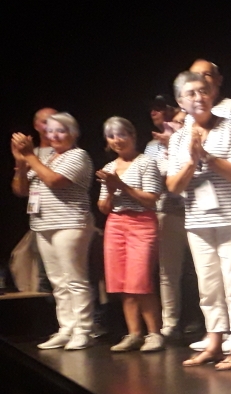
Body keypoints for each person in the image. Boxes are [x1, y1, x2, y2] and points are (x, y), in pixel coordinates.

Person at [167, 71, 231, 370]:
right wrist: (192, 162)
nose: (199, 98)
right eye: (191, 94)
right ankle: (214, 343)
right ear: (181, 101)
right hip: (197, 220)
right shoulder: (179, 138)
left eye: (204, 92)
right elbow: (173, 186)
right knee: (208, 286)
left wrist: (205, 156)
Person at [10, 112, 96, 350]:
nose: (54, 136)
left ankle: (84, 330)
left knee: (75, 279)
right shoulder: (45, 158)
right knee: (58, 281)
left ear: (73, 134)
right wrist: (20, 163)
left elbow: (55, 181)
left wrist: (29, 156)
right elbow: (20, 190)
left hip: (70, 224)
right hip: (43, 224)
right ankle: (66, 328)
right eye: (50, 131)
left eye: (61, 131)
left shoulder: (78, 155)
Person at [96, 117, 165, 352]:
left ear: (133, 136)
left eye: (121, 135)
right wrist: (111, 191)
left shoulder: (146, 163)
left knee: (140, 281)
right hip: (115, 224)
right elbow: (103, 207)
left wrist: (121, 186)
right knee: (122, 283)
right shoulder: (108, 168)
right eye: (111, 136)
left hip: (141, 222)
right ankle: (134, 333)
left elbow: (151, 198)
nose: (117, 140)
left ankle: (154, 333)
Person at [144, 95, 189, 341]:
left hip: (196, 211)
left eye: (162, 108)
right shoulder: (152, 146)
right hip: (167, 211)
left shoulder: (191, 137)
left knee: (204, 272)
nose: (157, 112)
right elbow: (155, 177)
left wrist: (175, 146)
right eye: (153, 108)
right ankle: (170, 323)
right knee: (168, 272)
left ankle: (209, 324)